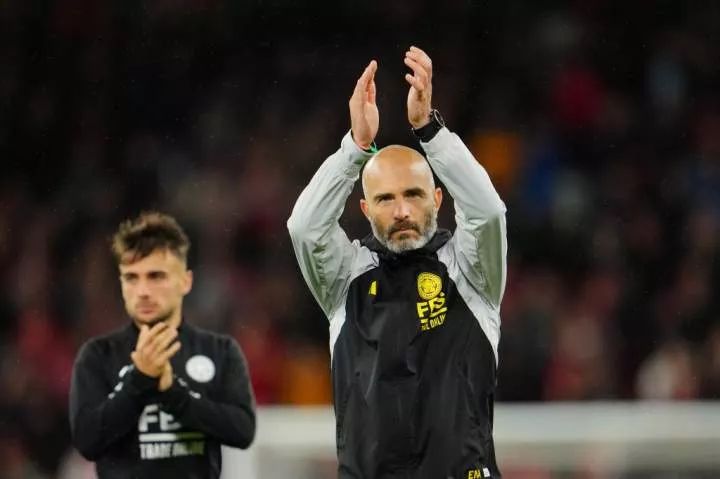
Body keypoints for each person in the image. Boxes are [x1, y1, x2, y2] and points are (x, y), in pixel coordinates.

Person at [287, 46, 508, 479]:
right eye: (386, 199)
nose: (402, 210)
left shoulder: (470, 272)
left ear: (438, 200)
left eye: (414, 194)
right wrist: (356, 148)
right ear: (367, 210)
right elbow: (305, 228)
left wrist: (429, 131)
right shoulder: (346, 279)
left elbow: (488, 213)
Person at [69, 212, 256, 479]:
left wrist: (173, 394)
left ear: (185, 281)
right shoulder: (98, 355)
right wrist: (140, 378)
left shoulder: (219, 351)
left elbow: (242, 431)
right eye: (131, 277)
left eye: (155, 276)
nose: (143, 290)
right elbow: (87, 441)